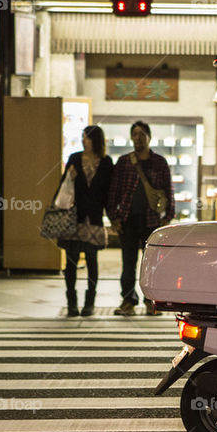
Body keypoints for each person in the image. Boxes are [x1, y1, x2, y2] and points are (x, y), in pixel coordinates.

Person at [107, 120, 175, 316]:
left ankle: (150, 301)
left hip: (152, 221)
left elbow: (168, 190)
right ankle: (128, 301)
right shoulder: (124, 162)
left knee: (151, 265)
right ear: (132, 137)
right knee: (128, 263)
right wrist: (114, 217)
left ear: (149, 137)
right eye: (135, 134)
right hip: (127, 220)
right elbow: (114, 191)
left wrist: (168, 216)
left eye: (142, 134)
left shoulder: (159, 162)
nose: (138, 137)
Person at [58, 125, 113, 317]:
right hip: (75, 217)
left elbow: (109, 193)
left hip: (95, 218)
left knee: (92, 261)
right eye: (82, 137)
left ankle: (89, 303)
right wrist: (69, 177)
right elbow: (63, 187)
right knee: (71, 262)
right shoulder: (74, 158)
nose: (83, 141)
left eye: (87, 138)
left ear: (95, 140)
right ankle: (71, 302)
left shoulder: (106, 162)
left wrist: (113, 218)